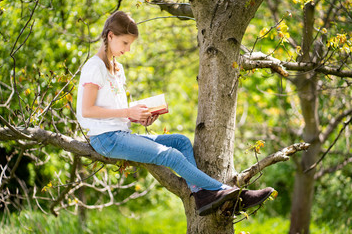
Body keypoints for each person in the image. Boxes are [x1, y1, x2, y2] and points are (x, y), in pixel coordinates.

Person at [76, 11, 274, 216]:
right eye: (125, 43)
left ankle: (202, 195)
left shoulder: (117, 69)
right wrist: (128, 111)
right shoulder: (94, 67)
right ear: (110, 36)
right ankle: (228, 192)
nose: (128, 49)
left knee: (180, 142)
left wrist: (138, 116)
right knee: (170, 156)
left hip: (121, 134)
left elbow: (112, 110)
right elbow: (87, 110)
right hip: (106, 139)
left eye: (130, 44)